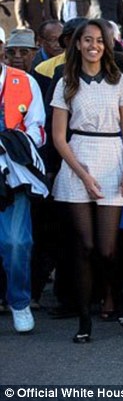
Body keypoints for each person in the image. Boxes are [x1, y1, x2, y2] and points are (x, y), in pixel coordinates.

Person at [50, 19, 123, 343]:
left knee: (107, 248)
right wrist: (83, 174)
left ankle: (116, 297)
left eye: (99, 40)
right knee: (84, 246)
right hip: (78, 160)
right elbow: (59, 137)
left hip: (111, 157)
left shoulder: (118, 81)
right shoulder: (66, 82)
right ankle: (84, 319)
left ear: (107, 44)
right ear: (76, 44)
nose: (93, 46)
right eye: (87, 40)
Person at [0, 27, 47, 334]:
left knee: (16, 242)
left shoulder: (25, 82)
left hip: (12, 174)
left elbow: (38, 131)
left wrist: (7, 143)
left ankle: (19, 302)